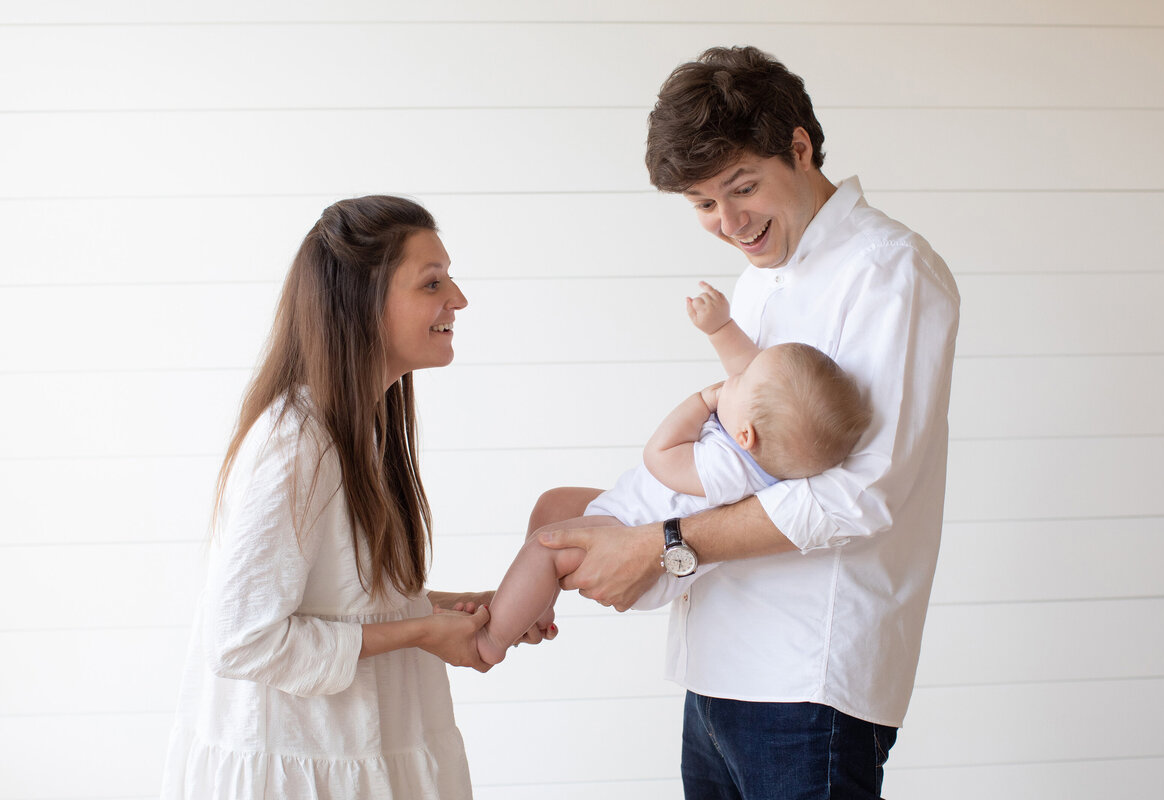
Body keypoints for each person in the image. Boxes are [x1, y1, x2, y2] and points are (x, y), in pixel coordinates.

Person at [536, 46, 961, 799]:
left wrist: (661, 544)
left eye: (742, 188)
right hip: (718, 669)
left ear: (799, 147)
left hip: (807, 680)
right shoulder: (761, 272)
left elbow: (858, 496)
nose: (730, 223)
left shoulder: (889, 272)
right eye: (703, 204)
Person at [160, 196, 548, 799]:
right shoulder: (297, 444)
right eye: (432, 283)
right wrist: (421, 632)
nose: (459, 300)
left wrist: (438, 609)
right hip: (304, 768)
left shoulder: (357, 429)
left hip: (356, 753)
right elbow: (241, 639)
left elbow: (338, 601)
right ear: (361, 302)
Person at [474, 281, 869, 666]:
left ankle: (491, 641)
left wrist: (700, 402)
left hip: (634, 539)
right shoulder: (757, 446)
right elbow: (749, 369)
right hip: (632, 510)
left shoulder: (726, 470)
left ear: (745, 434)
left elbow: (659, 456)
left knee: (545, 547)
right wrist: (720, 328)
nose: (729, 379)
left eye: (739, 383)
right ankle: (533, 607)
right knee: (553, 503)